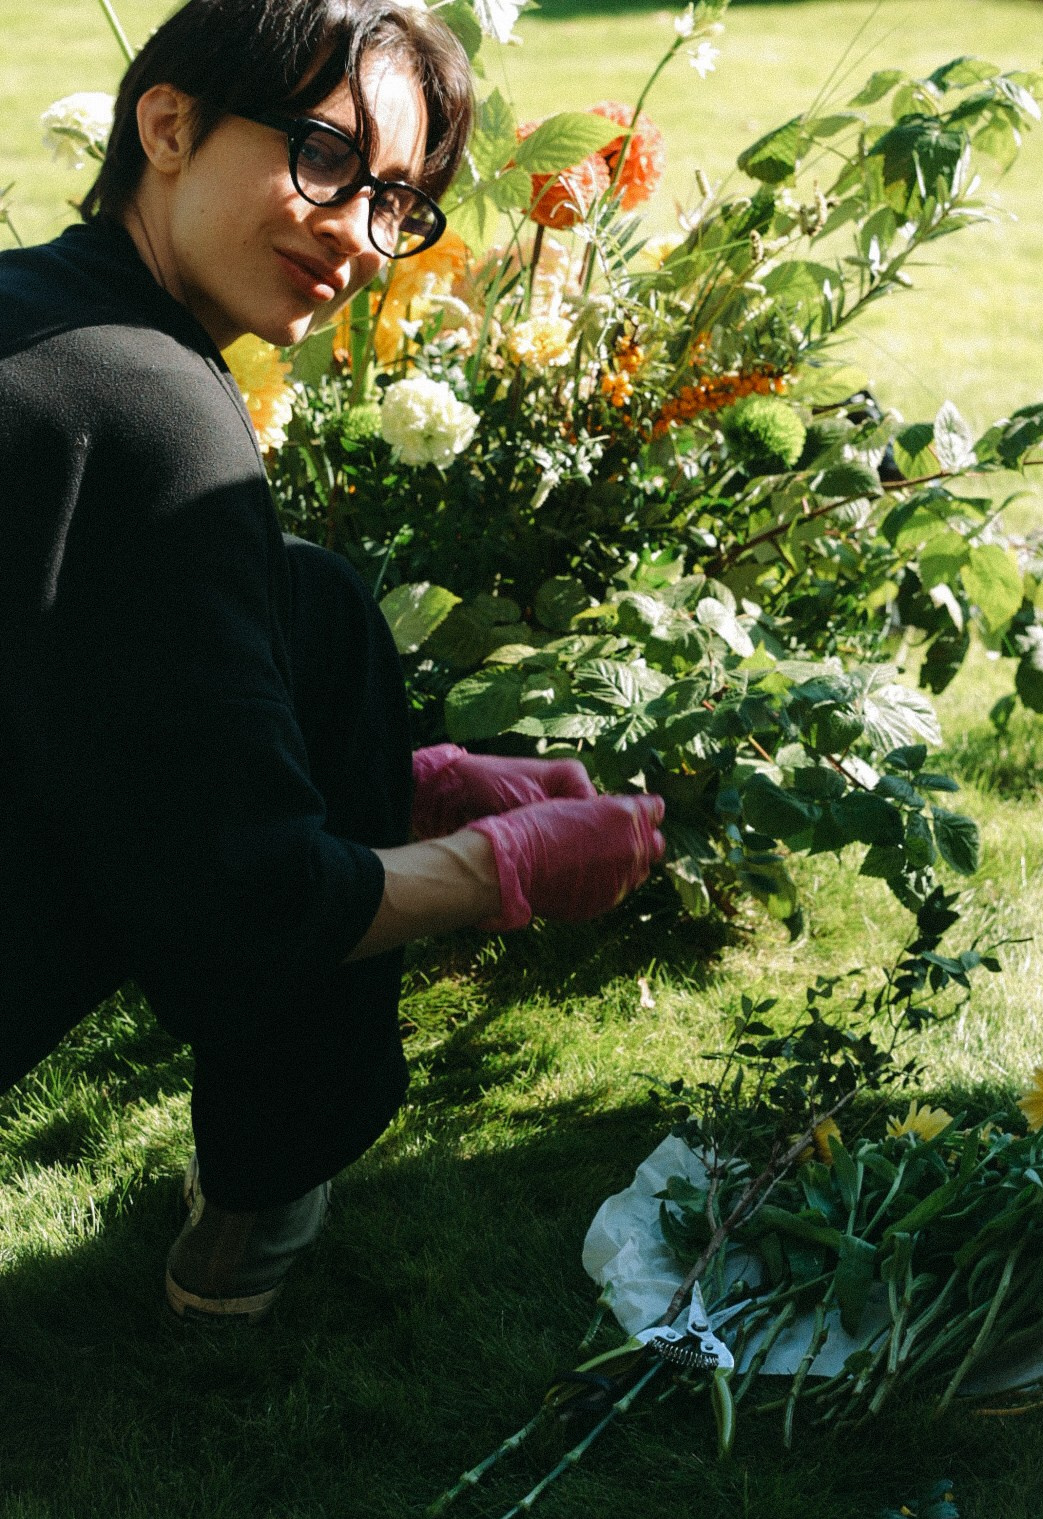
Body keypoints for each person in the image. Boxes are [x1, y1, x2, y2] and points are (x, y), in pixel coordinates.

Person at [0, 0, 665, 1322]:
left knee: (309, 605)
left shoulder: (40, 310)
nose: (360, 234)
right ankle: (272, 1177)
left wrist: (406, 783)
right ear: (169, 125)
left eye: (397, 202)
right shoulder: (147, 408)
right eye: (325, 159)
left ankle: (265, 1183)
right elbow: (242, 914)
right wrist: (504, 868)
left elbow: (95, 685)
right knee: (287, 708)